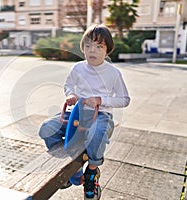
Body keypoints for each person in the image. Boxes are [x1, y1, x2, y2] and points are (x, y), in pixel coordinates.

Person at [39, 24, 130, 199]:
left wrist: (100, 100)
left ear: (107, 50)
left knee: (97, 134)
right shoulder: (78, 68)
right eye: (88, 46)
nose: (92, 51)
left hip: (101, 114)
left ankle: (92, 172)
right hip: (77, 112)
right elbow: (68, 86)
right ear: (83, 48)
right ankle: (71, 170)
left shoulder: (113, 73)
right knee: (46, 129)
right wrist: (71, 94)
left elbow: (125, 99)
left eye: (98, 46)